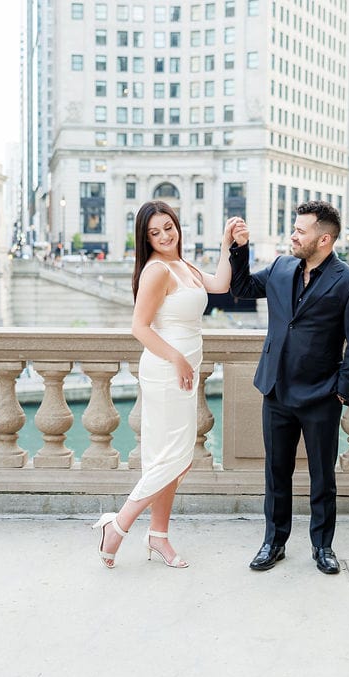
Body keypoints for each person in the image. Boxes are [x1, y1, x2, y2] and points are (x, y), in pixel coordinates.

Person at [229, 200, 349, 575]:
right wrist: (239, 248)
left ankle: (322, 546)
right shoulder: (279, 267)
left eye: (300, 231)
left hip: (321, 395)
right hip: (275, 390)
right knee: (276, 473)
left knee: (322, 477)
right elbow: (242, 287)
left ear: (324, 239)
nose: (293, 235)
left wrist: (343, 390)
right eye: (294, 229)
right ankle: (273, 542)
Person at [93, 200, 240, 569]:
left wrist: (226, 245)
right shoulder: (156, 271)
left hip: (184, 369)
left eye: (168, 227)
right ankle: (119, 525)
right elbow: (139, 327)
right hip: (167, 370)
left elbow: (221, 284)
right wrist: (176, 358)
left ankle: (158, 535)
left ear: (177, 226)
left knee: (170, 458)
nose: (163, 236)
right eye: (154, 233)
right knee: (176, 458)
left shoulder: (183, 265)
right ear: (145, 238)